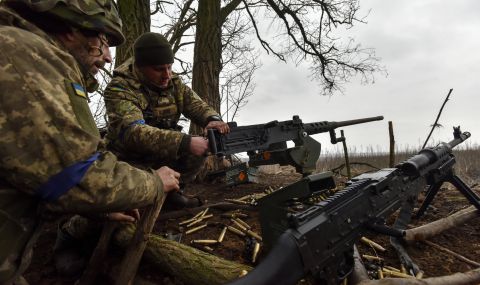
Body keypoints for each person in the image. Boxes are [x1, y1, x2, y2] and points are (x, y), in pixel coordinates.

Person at [0, 1, 180, 284]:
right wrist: (154, 183)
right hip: (121, 162)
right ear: (72, 30)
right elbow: (74, 178)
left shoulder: (25, 51)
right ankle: (69, 236)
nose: (108, 57)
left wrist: (211, 120)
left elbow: (32, 173)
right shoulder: (24, 56)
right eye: (103, 41)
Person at [103, 32, 230, 206]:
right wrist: (185, 141)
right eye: (159, 69)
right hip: (129, 161)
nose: (167, 75)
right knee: (128, 216)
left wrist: (212, 118)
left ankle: (172, 194)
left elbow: (196, 105)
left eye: (169, 67)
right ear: (140, 66)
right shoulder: (119, 89)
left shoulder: (173, 82)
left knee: (199, 150)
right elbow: (133, 133)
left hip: (161, 154)